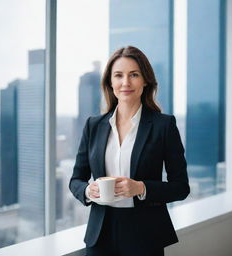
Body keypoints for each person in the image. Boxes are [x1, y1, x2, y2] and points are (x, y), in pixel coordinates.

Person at [69, 46, 190, 256]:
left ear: (145, 81)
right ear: (110, 83)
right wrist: (89, 191)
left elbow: (181, 187)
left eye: (134, 75)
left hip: (145, 234)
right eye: (119, 75)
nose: (125, 82)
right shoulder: (93, 125)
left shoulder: (164, 126)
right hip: (100, 234)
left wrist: (141, 188)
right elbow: (76, 180)